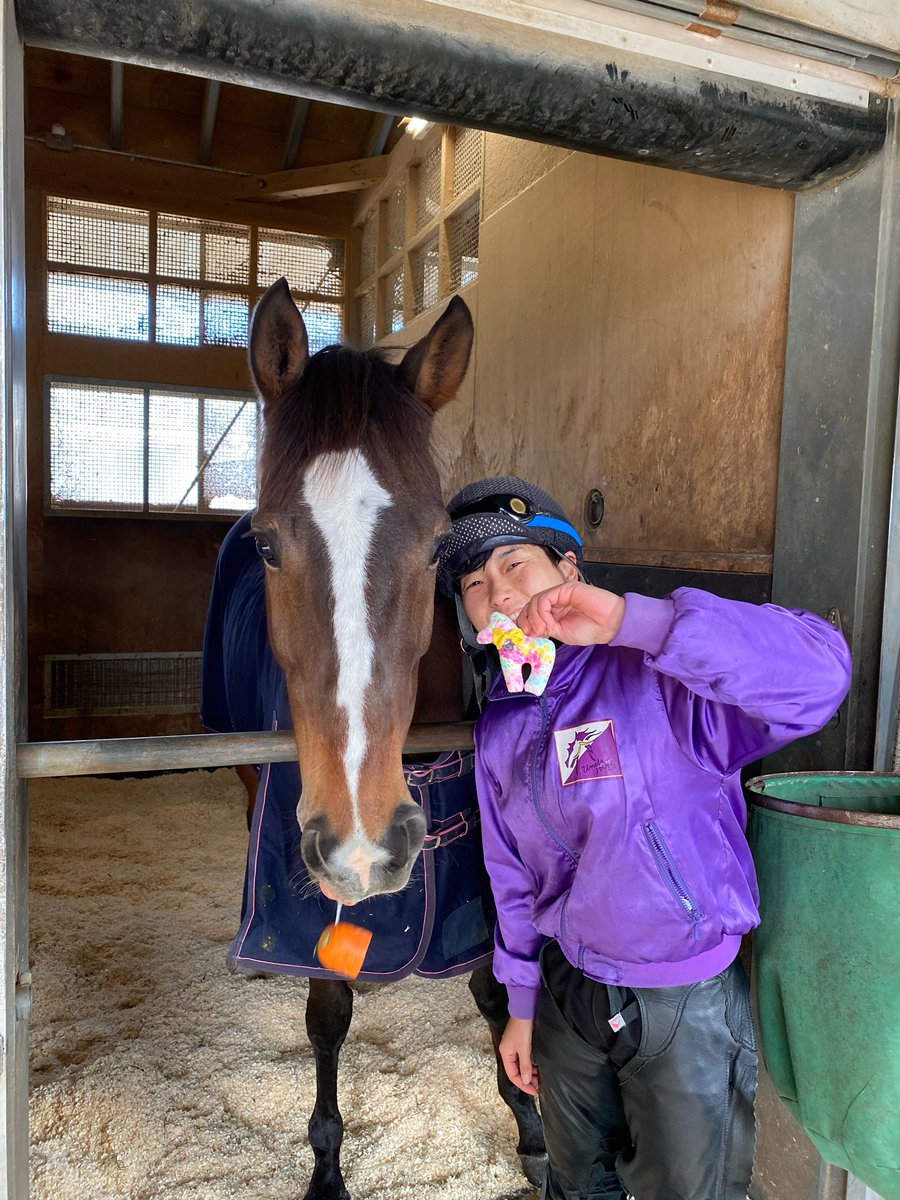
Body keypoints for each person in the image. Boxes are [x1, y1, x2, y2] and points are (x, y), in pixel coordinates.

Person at [435, 475, 852, 1200]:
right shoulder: (502, 718)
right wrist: (522, 1007)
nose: (496, 592)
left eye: (514, 565)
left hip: (682, 997)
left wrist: (640, 622)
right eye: (474, 583)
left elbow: (822, 676)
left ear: (568, 570)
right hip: (569, 992)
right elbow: (511, 873)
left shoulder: (658, 677)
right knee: (573, 1182)